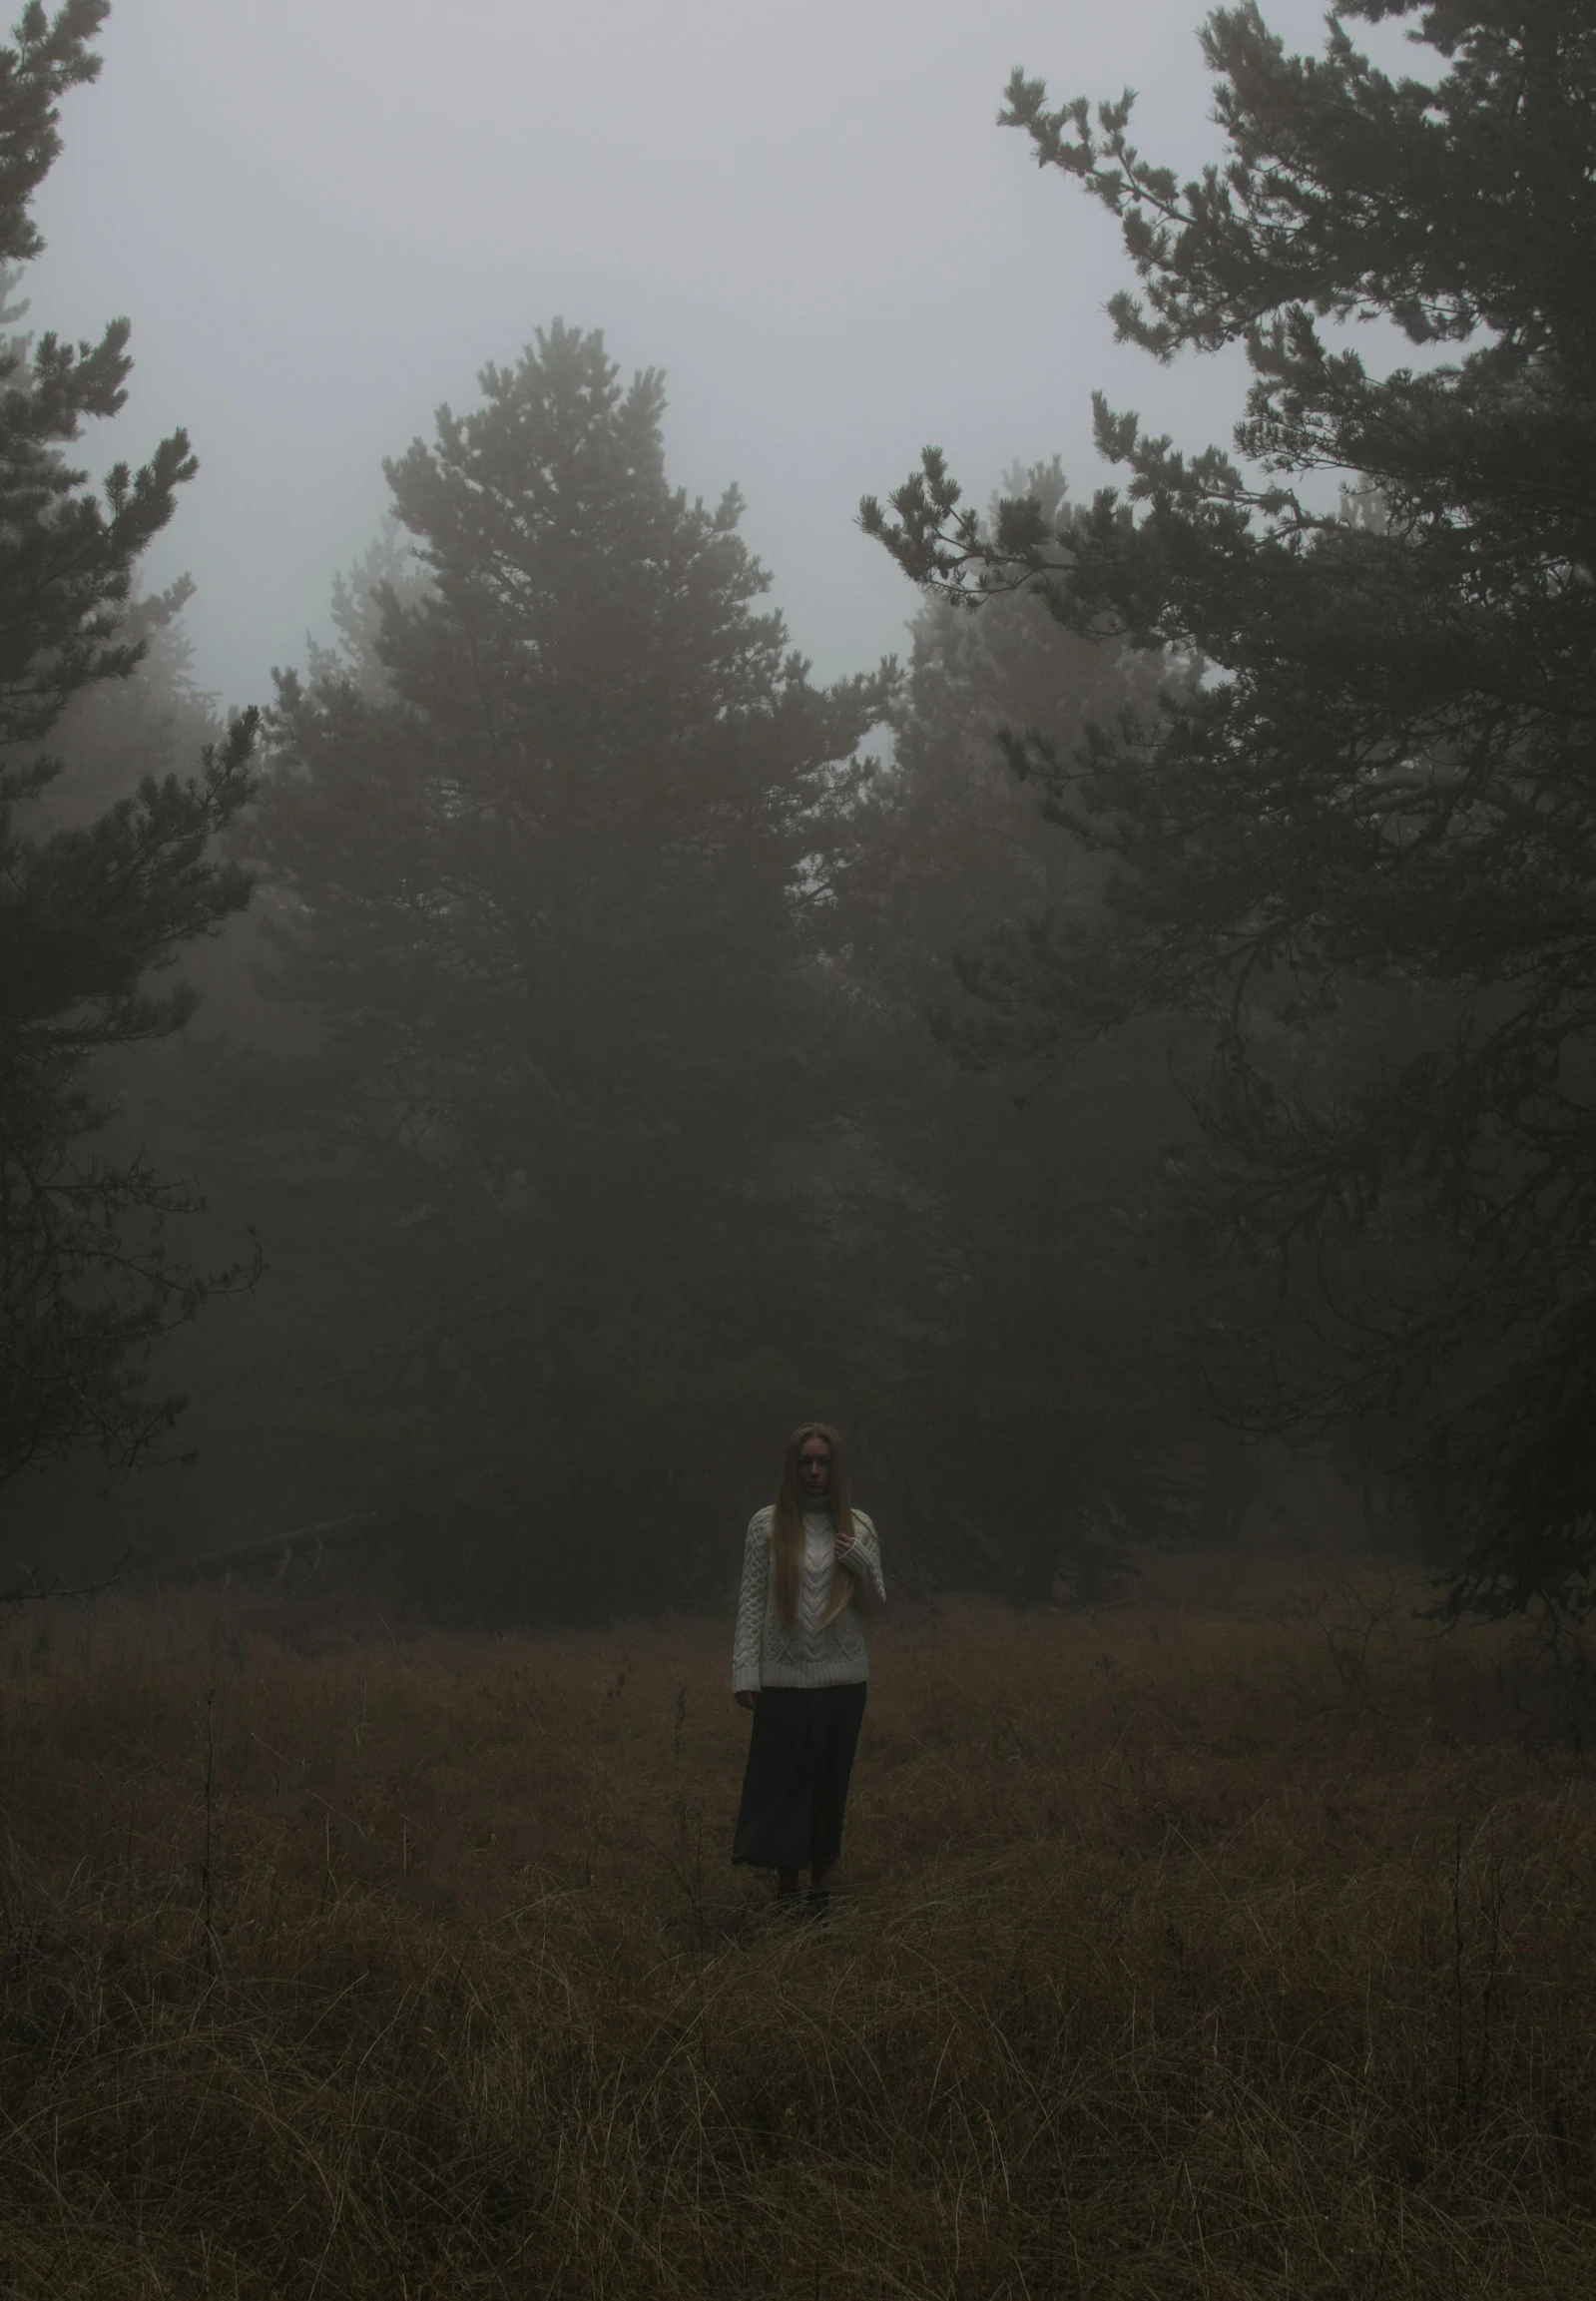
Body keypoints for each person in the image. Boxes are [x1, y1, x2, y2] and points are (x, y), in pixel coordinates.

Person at [731, 1421, 885, 1908]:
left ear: (836, 1467)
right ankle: (787, 1895)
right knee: (782, 1788)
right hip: (782, 1683)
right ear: (792, 1467)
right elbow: (751, 1603)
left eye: (823, 1461)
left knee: (829, 1786)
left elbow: (876, 1606)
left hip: (844, 1682)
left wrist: (859, 1561)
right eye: (805, 1461)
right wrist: (744, 1671)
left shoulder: (858, 1526)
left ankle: (820, 1892)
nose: (814, 1470)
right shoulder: (767, 1524)